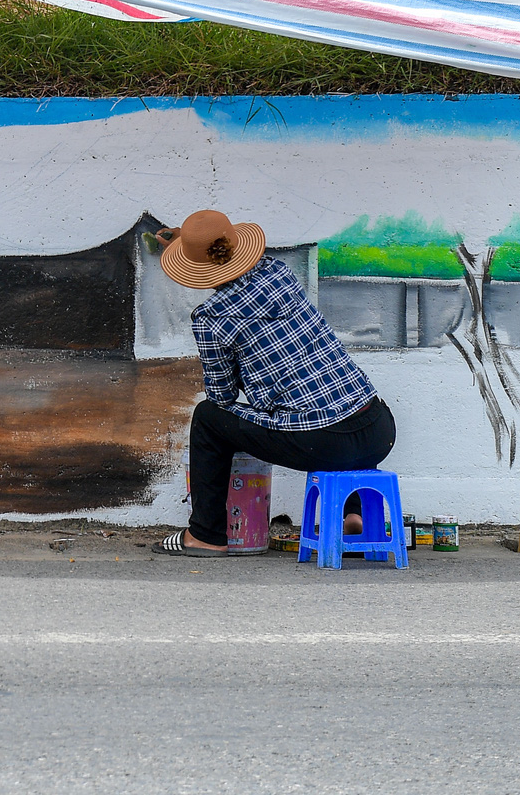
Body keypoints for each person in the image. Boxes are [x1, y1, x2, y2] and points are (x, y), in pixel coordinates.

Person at [150, 210, 396, 557]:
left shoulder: (212, 318)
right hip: (377, 429)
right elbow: (235, 260)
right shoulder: (278, 273)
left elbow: (222, 396)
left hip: (323, 444)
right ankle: (351, 515)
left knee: (208, 418)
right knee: (326, 407)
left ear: (197, 269)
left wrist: (191, 247)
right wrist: (195, 243)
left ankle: (206, 534)